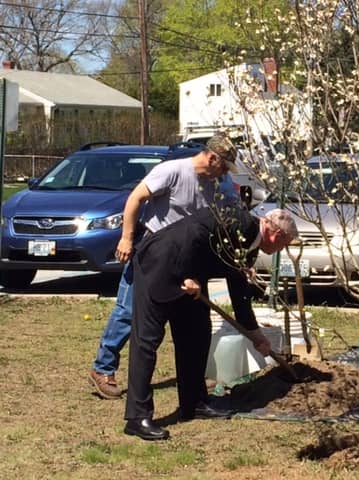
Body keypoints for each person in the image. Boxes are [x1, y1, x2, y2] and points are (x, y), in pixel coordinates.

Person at [123, 206, 298, 440]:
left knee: (197, 335)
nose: (282, 250)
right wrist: (185, 275)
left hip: (191, 278)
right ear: (276, 235)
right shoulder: (239, 221)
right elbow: (194, 232)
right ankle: (137, 417)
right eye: (284, 245)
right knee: (147, 341)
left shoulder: (250, 245)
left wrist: (255, 335)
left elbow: (239, 292)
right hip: (160, 265)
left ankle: (193, 403)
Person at [89, 132, 241, 399]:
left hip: (187, 257)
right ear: (212, 157)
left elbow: (230, 213)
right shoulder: (172, 171)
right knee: (128, 311)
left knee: (188, 318)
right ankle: (103, 368)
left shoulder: (220, 183)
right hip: (152, 251)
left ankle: (192, 379)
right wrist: (126, 238)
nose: (225, 173)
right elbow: (135, 198)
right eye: (224, 166)